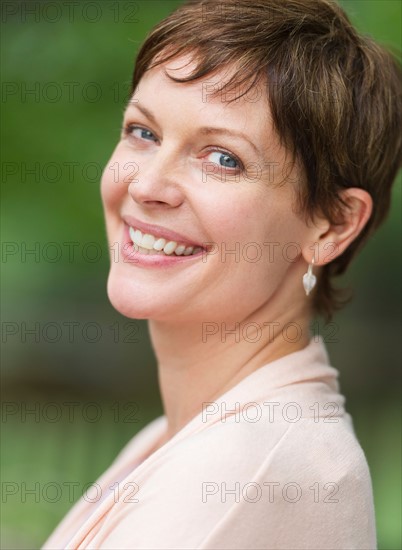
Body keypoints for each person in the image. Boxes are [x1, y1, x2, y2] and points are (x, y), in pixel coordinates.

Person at [42, 0, 401, 548]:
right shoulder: (190, 436)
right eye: (143, 132)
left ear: (331, 224)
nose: (145, 185)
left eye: (223, 158)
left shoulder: (249, 474)